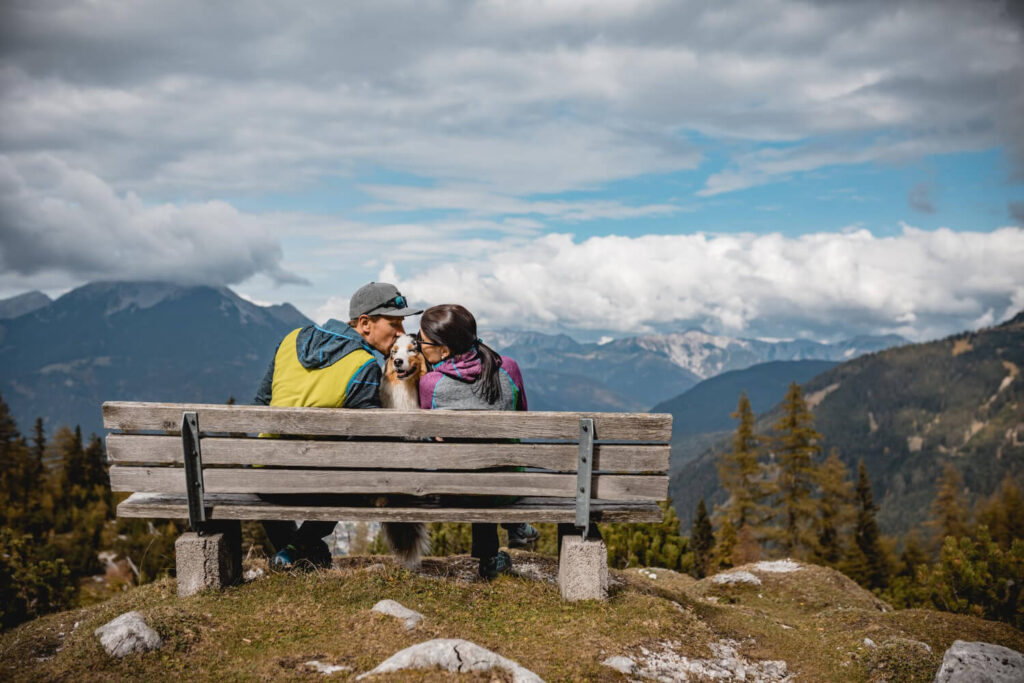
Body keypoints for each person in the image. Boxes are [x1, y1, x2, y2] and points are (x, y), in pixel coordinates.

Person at [254, 282, 422, 568]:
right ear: (365, 323)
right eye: (394, 324)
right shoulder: (363, 364)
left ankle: (296, 552)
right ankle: (296, 549)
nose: (401, 333)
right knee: (350, 476)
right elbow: (368, 441)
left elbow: (261, 402)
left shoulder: (290, 339)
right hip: (319, 484)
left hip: (264, 476)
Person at [416, 304, 539, 579]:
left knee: (473, 472)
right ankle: (514, 526)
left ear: (443, 350)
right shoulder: (508, 367)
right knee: (495, 468)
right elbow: (522, 416)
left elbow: (432, 438)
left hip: (457, 488)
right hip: (509, 486)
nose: (419, 346)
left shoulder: (430, 384)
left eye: (420, 341)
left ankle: (491, 558)